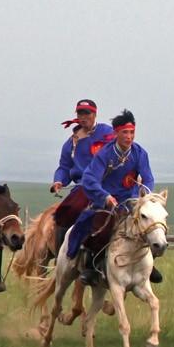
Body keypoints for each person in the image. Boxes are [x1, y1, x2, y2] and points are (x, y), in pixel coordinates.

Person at [68, 110, 155, 285]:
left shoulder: (140, 153)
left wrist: (143, 198)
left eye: (132, 132)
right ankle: (92, 267)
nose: (129, 136)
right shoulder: (104, 154)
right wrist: (105, 197)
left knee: (149, 227)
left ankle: (148, 267)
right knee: (98, 229)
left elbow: (148, 179)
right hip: (106, 201)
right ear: (116, 133)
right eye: (125, 132)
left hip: (129, 200)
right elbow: (90, 179)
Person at [48, 98, 116, 246]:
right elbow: (64, 167)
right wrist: (59, 180)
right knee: (66, 212)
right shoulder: (71, 143)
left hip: (108, 183)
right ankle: (63, 254)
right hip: (84, 187)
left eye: (88, 113)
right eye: (81, 113)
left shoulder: (107, 133)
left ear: (95, 114)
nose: (84, 117)